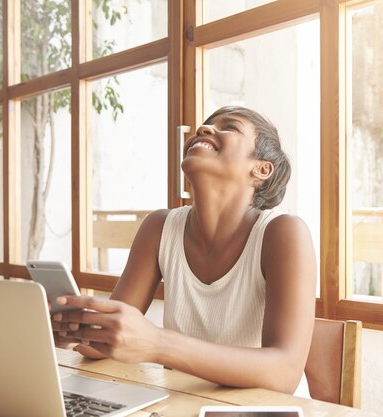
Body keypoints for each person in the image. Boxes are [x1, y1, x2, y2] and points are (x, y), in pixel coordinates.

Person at [51, 105, 316, 394]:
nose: (204, 130)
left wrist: (157, 343)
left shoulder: (283, 233)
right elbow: (101, 346)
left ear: (261, 169)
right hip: (182, 403)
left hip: (261, 411)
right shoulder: (159, 227)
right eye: (206, 125)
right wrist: (77, 329)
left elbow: (285, 373)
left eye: (230, 127)